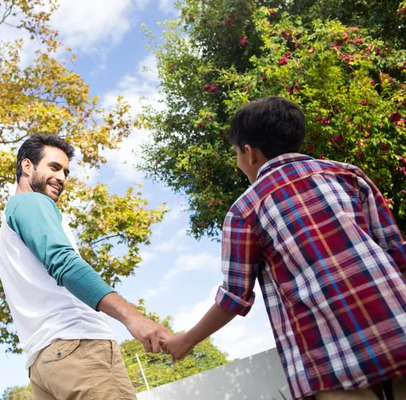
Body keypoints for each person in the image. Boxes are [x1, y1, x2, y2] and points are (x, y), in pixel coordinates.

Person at [160, 97, 406, 400]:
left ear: (249, 153)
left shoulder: (245, 210)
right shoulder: (347, 175)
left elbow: (235, 296)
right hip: (398, 325)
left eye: (236, 153)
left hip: (328, 354)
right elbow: (396, 252)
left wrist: (187, 340)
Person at [0, 134, 170, 400]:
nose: (62, 178)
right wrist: (133, 318)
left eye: (65, 171)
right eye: (53, 167)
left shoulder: (5, 233)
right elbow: (65, 264)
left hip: (42, 365)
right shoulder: (31, 203)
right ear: (27, 166)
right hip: (79, 346)